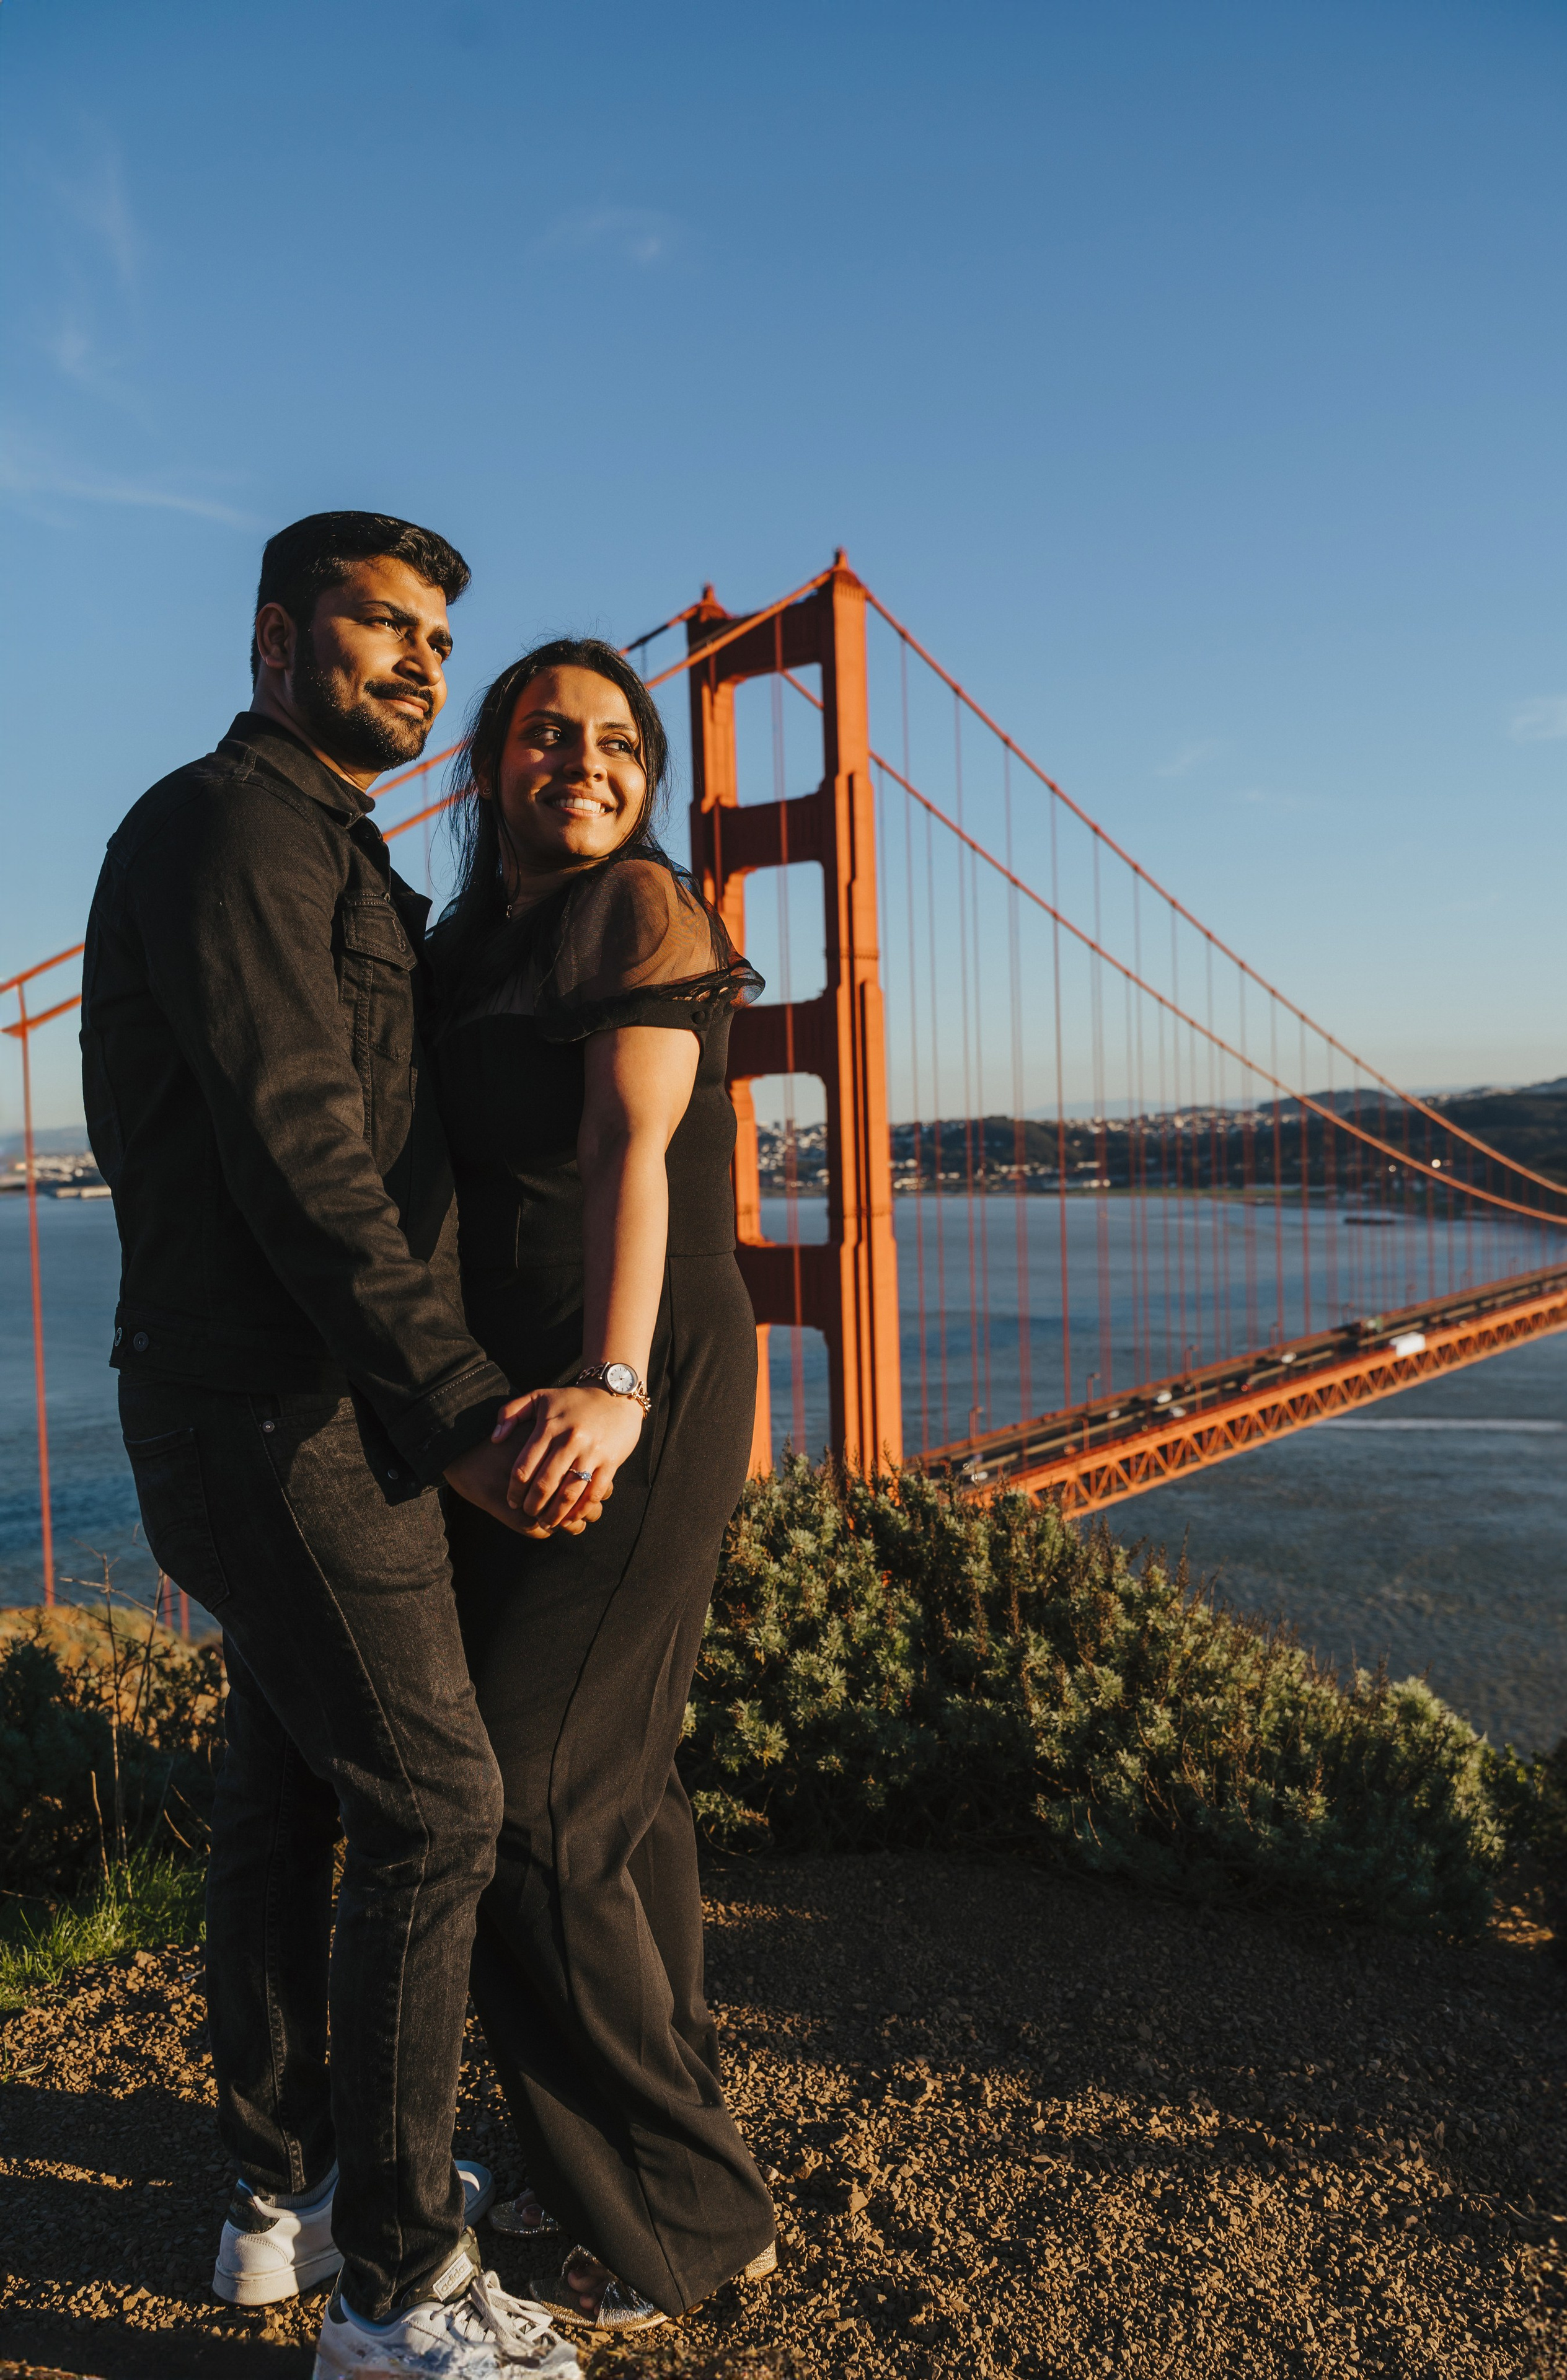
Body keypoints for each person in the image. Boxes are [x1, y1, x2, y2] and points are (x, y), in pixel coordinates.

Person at [81, 514, 577, 2380]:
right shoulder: (224, 832)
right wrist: (456, 1411)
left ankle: (272, 2202)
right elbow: (306, 1151)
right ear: (279, 638)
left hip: (295, 1401)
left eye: (443, 636)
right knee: (441, 1806)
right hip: (282, 1409)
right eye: (384, 626)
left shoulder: (335, 853)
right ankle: (399, 2287)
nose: (425, 662)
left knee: (291, 1800)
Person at [428, 638, 778, 2333]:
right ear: (485, 764)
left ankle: (682, 2217)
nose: (587, 761)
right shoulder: (466, 944)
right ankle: (645, 2144)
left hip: (623, 1387)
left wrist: (620, 1388)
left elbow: (641, 1150)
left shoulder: (644, 907)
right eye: (546, 735)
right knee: (611, 1791)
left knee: (522, 1797)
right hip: (513, 1402)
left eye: (620, 741)